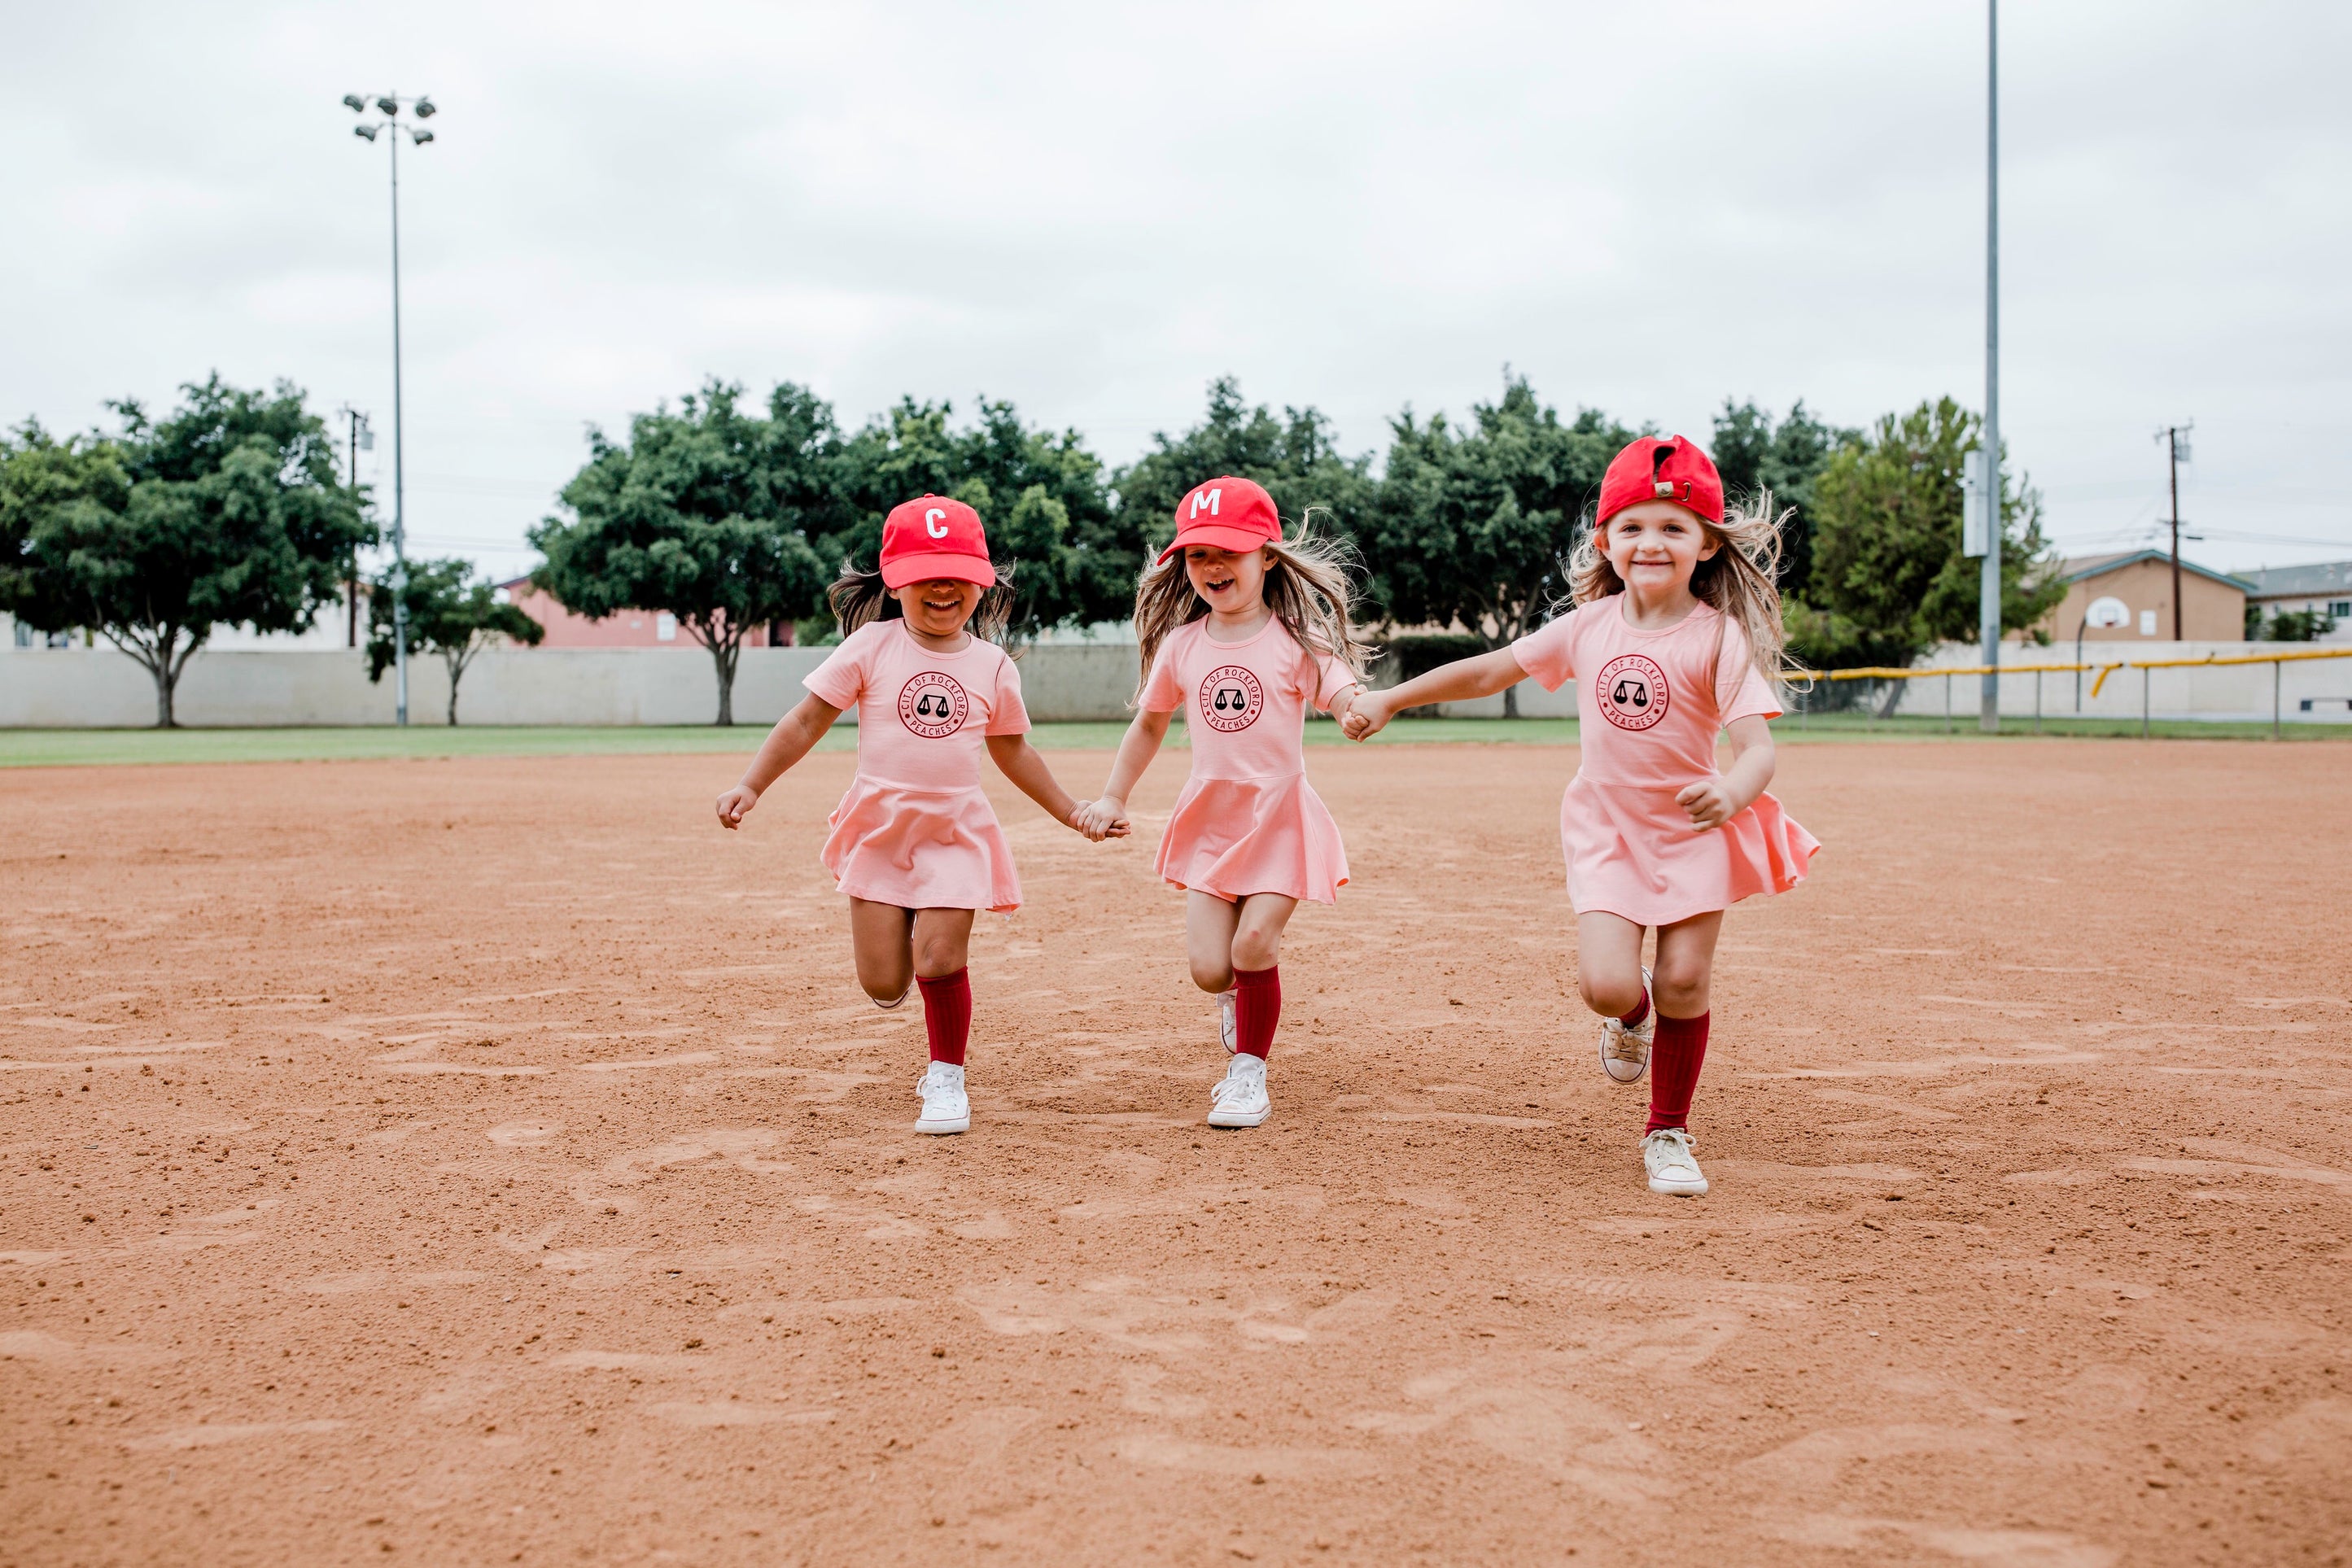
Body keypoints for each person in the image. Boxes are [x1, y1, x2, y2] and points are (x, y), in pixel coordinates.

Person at [1344, 436, 1818, 1196]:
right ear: (1606, 540)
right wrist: (1393, 697)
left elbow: (1758, 749)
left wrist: (1733, 792)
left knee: (1686, 979)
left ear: (1705, 545)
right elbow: (1491, 669)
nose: (1651, 542)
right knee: (1605, 984)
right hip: (1607, 829)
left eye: (1673, 526)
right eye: (1632, 526)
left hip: (1694, 827)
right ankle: (1630, 1019)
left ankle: (1668, 1130)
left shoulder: (1718, 637)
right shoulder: (1587, 626)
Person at [716, 496, 1118, 1136]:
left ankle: (946, 1079)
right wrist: (751, 783)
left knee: (938, 957)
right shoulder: (869, 646)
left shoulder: (992, 666)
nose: (942, 586)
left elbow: (1013, 750)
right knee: (883, 982)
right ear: (894, 578)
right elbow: (805, 721)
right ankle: (898, 946)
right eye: (926, 572)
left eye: (958, 572)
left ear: (981, 582)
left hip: (955, 832)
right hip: (880, 828)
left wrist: (1072, 811)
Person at [1078, 476, 1370, 1129]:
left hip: (1279, 819)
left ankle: (1248, 1074)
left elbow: (1341, 688)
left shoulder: (1297, 641)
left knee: (1255, 943)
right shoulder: (1183, 645)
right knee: (1212, 969)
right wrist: (1112, 795)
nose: (1211, 566)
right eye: (1197, 553)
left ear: (1266, 556)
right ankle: (1237, 998)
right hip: (1213, 823)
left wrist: (1353, 710)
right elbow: (1149, 724)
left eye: (1228, 552)